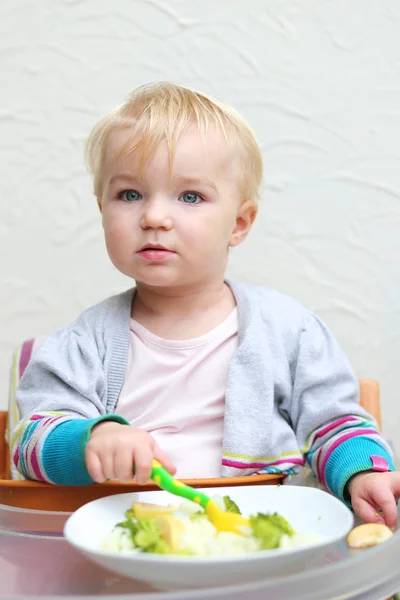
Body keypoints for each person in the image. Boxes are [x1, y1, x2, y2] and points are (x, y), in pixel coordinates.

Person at [12, 82, 399, 528]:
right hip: (129, 543)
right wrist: (92, 438)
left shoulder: (291, 330)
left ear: (239, 223)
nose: (155, 217)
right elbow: (30, 440)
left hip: (262, 536)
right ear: (102, 209)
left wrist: (363, 474)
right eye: (129, 195)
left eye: (190, 196)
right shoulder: (83, 342)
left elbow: (333, 424)